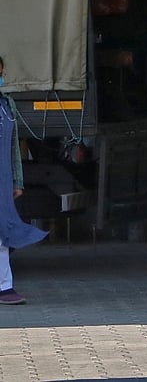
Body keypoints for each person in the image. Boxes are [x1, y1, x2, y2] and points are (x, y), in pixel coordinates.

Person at [0, 56, 48, 305]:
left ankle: (4, 287)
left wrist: (17, 181)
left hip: (3, 180)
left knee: (3, 232)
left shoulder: (6, 104)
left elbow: (13, 147)